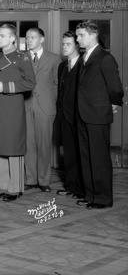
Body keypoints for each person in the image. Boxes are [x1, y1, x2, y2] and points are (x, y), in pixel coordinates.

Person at [75, 22, 124, 209]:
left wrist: (112, 104)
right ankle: (90, 195)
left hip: (97, 115)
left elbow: (116, 88)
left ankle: (103, 198)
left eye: (80, 35)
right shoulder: (84, 57)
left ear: (92, 35)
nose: (78, 38)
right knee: (86, 157)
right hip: (83, 113)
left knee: (99, 158)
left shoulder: (105, 58)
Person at [0, 24, 35, 202]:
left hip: (13, 106)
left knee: (13, 146)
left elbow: (31, 83)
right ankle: (1, 186)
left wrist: (6, 87)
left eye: (2, 36)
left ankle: (15, 188)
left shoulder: (22, 57)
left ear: (12, 39)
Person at [24, 27, 60, 192]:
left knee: (44, 144)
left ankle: (44, 180)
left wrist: (54, 104)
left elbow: (58, 85)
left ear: (42, 39)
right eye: (27, 37)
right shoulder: (22, 58)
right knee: (28, 144)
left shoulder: (54, 59)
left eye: (32, 37)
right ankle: (30, 179)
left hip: (45, 107)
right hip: (26, 106)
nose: (29, 40)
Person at [55, 31, 84, 199]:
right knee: (69, 154)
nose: (64, 47)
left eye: (68, 44)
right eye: (63, 44)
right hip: (65, 117)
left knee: (82, 154)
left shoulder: (84, 64)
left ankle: (83, 189)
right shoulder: (62, 66)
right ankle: (72, 186)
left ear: (77, 46)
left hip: (81, 116)